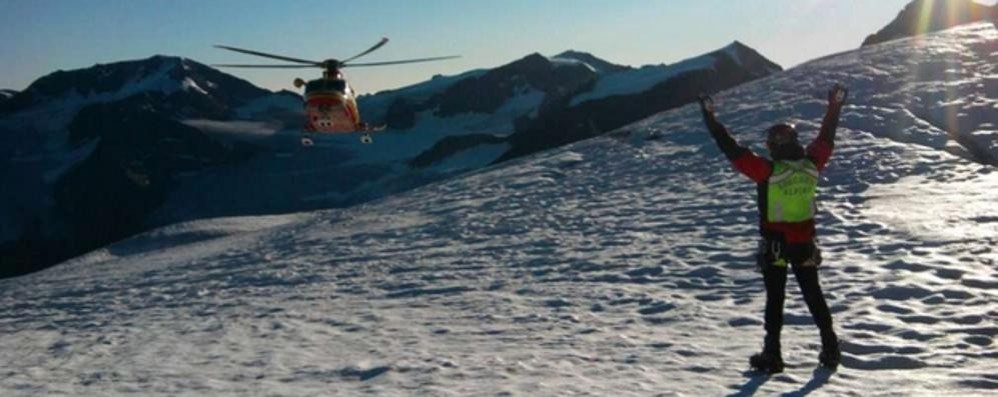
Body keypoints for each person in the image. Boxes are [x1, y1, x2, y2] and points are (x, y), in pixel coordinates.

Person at [697, 84, 848, 374]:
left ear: (772, 145)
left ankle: (773, 353)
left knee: (775, 299)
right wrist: (835, 106)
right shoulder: (811, 165)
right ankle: (830, 348)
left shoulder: (767, 171)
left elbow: (731, 148)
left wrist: (710, 118)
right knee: (813, 295)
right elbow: (826, 137)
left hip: (775, 245)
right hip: (804, 242)